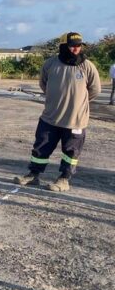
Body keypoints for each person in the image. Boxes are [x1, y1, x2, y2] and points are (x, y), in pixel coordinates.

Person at [14, 32, 101, 192]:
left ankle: (63, 179)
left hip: (75, 119)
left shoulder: (87, 66)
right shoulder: (50, 64)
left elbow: (95, 90)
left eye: (78, 45)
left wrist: (78, 103)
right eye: (72, 45)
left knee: (71, 152)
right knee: (41, 147)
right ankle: (33, 175)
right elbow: (43, 84)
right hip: (50, 117)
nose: (76, 48)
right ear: (63, 46)